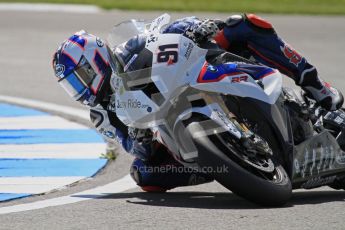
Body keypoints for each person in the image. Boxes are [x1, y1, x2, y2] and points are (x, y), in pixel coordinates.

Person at [52, 14, 343, 192]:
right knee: (145, 175)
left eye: (79, 78)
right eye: (71, 87)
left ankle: (317, 88)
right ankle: (226, 165)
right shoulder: (101, 115)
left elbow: (160, 34)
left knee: (244, 25)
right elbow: (131, 146)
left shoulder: (126, 50)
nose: (79, 89)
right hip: (172, 133)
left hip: (191, 76)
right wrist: (140, 140)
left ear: (95, 60)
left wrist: (194, 26)